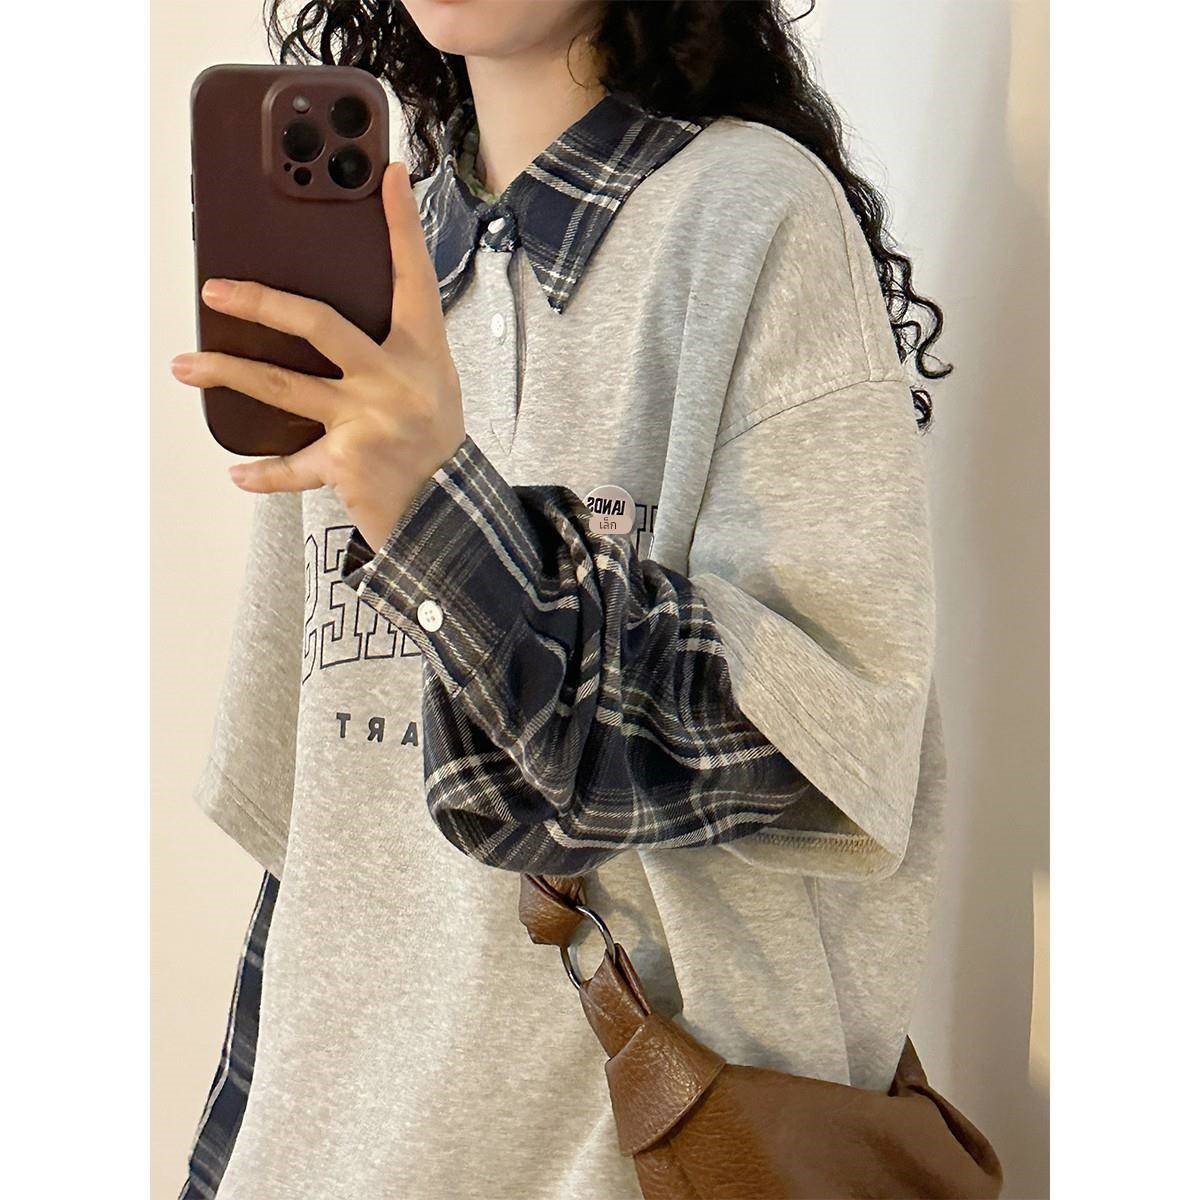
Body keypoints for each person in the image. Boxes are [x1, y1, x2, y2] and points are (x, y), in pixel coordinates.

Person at [172, 2, 953, 1197]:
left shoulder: (749, 217)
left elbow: (805, 749)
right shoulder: (360, 300)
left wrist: (442, 519)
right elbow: (315, 857)